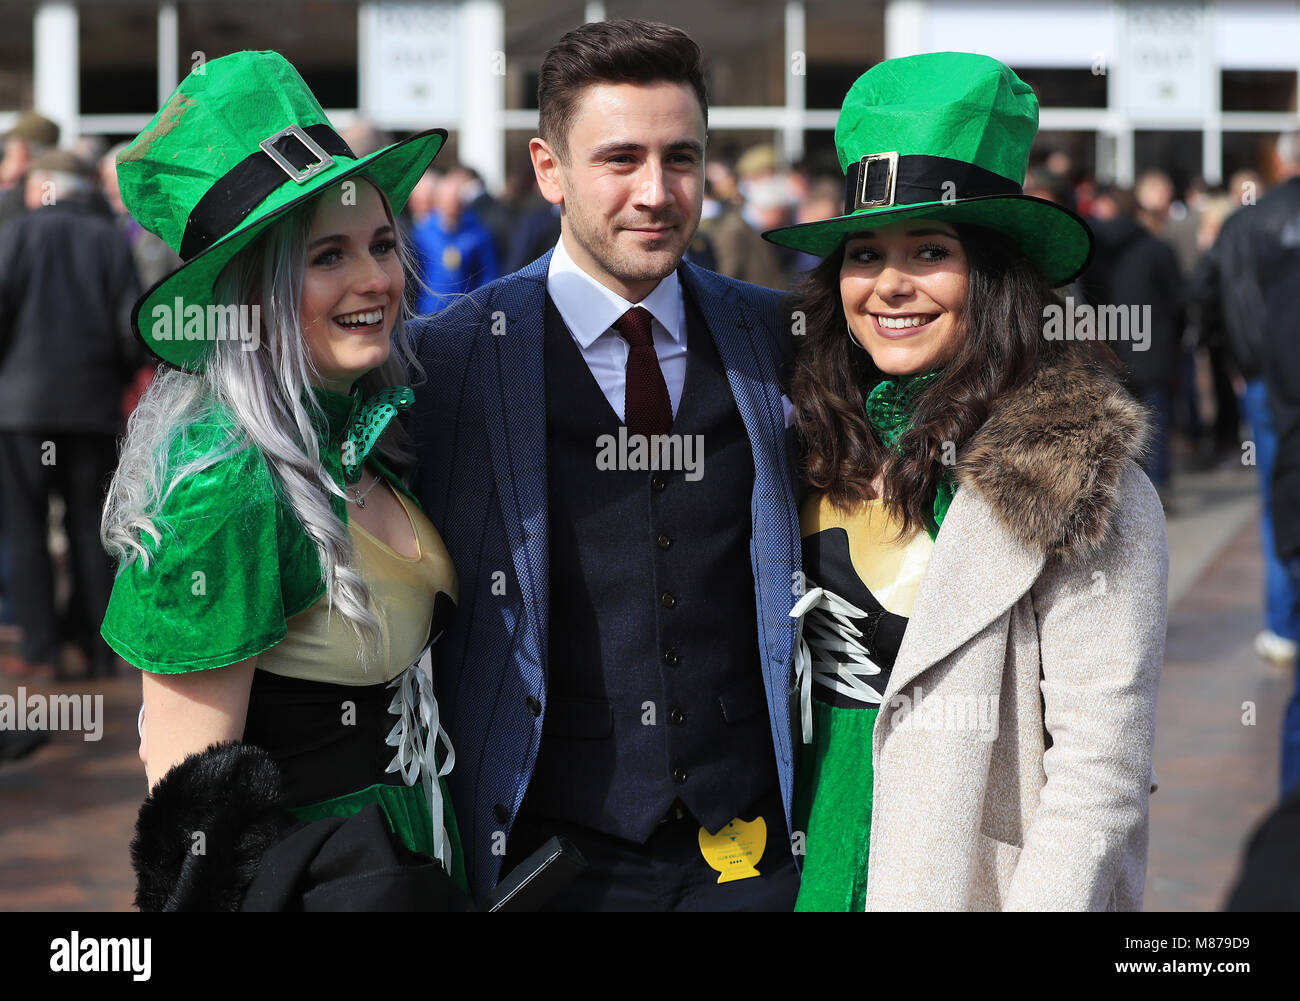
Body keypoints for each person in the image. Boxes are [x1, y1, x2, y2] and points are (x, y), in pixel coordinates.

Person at [762, 52, 1168, 910]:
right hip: (800, 875)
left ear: (995, 275)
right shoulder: (808, 440)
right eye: (864, 253)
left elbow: (1101, 778)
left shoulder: (1082, 483)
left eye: (930, 250)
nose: (891, 284)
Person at [411, 18, 801, 910]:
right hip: (549, 860)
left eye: (682, 158)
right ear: (549, 169)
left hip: (753, 854)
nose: (656, 192)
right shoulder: (452, 361)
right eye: (620, 158)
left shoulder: (776, 336)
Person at [96, 50, 467, 908]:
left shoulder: (361, 431)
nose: (375, 277)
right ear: (252, 292)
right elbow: (193, 839)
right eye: (326, 255)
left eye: (380, 244)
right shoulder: (222, 491)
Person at [0, 149, 141, 680]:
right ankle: (99, 648)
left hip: (21, 411)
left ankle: (40, 650)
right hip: (93, 407)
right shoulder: (109, 238)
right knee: (90, 528)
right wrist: (117, 377)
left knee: (26, 529)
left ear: (43, 186)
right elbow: (131, 325)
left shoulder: (15, 233)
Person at [1199, 129, 1300, 667]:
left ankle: (1285, 627)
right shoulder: (1247, 223)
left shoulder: (1243, 223)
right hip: (1264, 375)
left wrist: (1234, 364)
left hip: (1266, 379)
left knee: (1278, 496)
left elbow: (1209, 294)